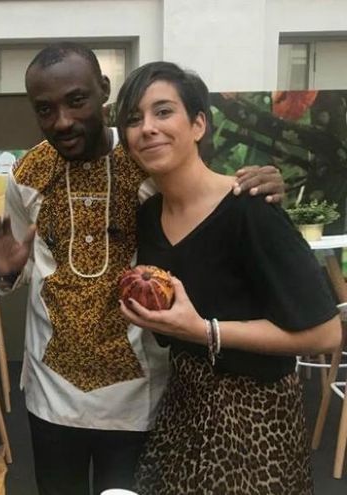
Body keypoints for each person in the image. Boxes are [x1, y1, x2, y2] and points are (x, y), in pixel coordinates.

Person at [0, 43, 286, 494]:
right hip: (51, 394)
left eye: (77, 100)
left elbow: (207, 202)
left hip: (141, 394)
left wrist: (261, 182)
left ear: (104, 90)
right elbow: (23, 265)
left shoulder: (151, 158)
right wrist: (7, 273)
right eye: (45, 109)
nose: (62, 120)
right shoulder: (27, 173)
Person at [115, 61, 340, 494]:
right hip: (181, 406)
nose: (147, 128)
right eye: (133, 119)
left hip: (255, 417)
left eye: (163, 112)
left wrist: (205, 331)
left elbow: (326, 333)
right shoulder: (148, 216)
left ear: (199, 123)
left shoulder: (250, 209)